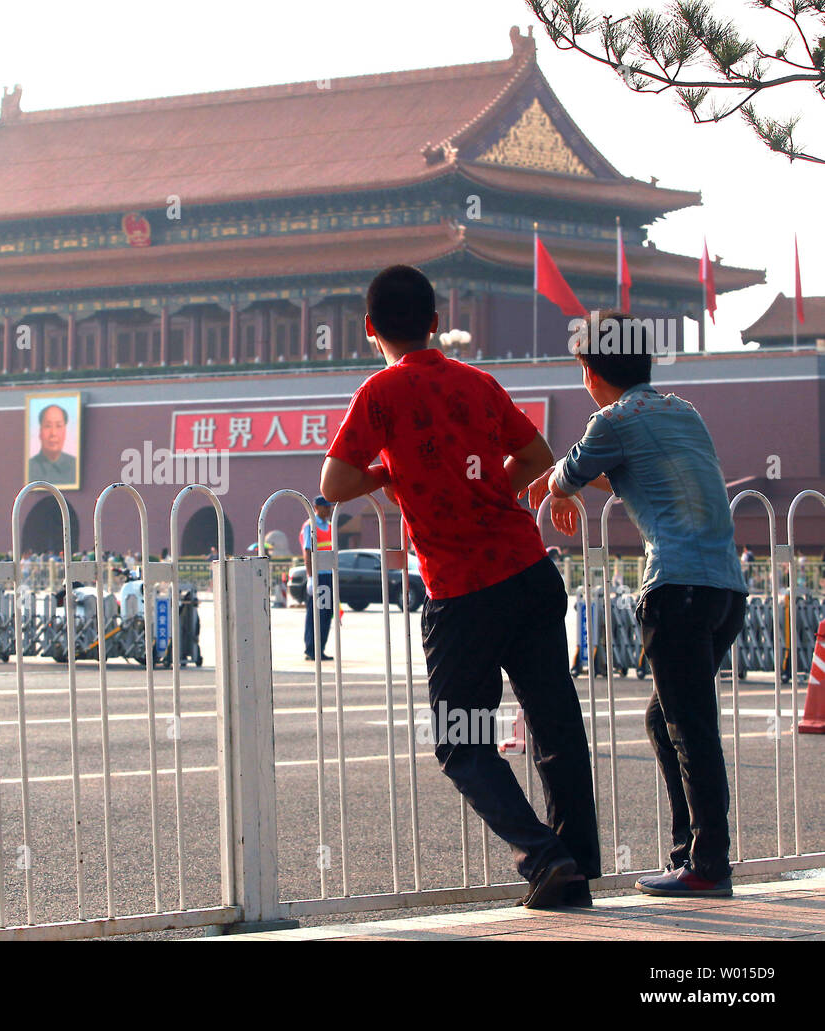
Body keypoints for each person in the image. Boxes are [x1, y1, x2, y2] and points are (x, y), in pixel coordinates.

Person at [320, 264, 599, 908]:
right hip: (529, 572)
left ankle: (545, 856)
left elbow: (334, 484)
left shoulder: (381, 394)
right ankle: (578, 866)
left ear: (369, 329)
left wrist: (391, 472)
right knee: (554, 724)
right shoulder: (478, 382)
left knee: (460, 740)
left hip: (462, 591)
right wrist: (483, 488)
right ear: (437, 322)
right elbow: (534, 458)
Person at [526, 311, 747, 899]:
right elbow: (622, 473)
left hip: (676, 589)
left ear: (591, 372)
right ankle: (694, 855)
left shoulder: (613, 419)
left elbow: (567, 474)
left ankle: (707, 864)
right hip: (726, 591)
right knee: (669, 718)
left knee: (688, 727)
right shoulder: (682, 412)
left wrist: (557, 485)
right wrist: (567, 480)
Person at [302, 497, 335, 662]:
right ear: (317, 507)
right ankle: (311, 649)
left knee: (327, 613)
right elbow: (307, 552)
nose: (329, 510)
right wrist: (310, 577)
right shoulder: (310, 525)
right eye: (326, 507)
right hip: (318, 576)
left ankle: (320, 648)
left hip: (329, 576)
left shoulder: (329, 526)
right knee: (316, 614)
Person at [28, 403, 77, 484]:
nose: (53, 433)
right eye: (48, 426)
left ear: (65, 431)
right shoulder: (30, 466)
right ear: (40, 431)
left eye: (59, 426)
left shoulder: (74, 465)